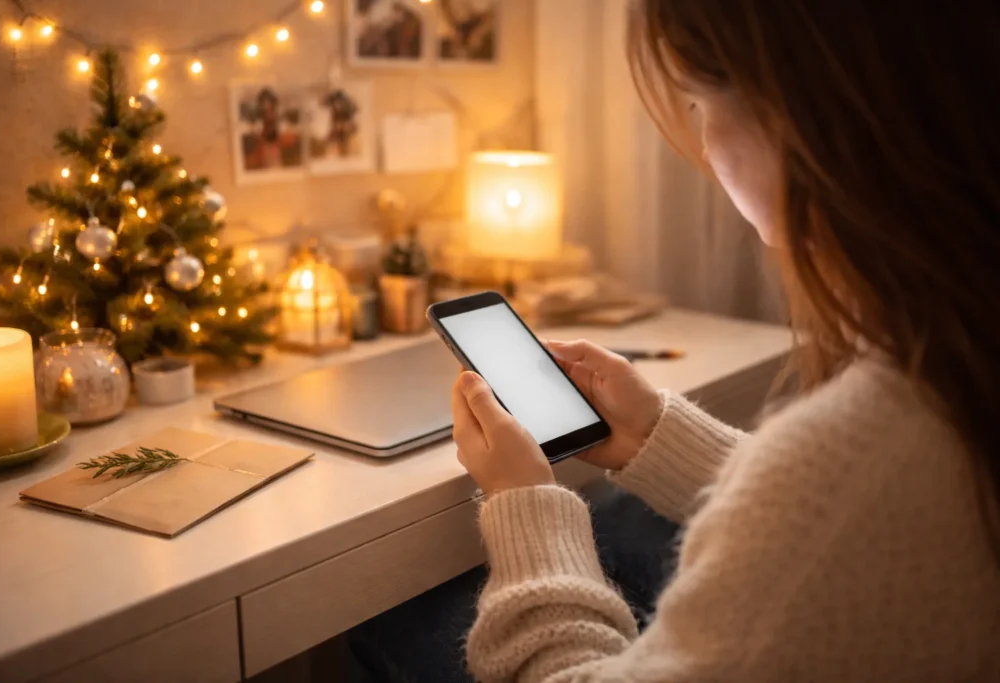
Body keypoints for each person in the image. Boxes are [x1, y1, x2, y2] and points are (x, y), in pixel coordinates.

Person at [348, 1, 1000, 681]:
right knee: (623, 521)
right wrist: (656, 437)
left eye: (693, 103)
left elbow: (839, 509)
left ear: (797, 119)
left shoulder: (869, 452)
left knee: (396, 619)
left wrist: (524, 503)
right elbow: (853, 534)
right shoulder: (955, 366)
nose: (704, 146)